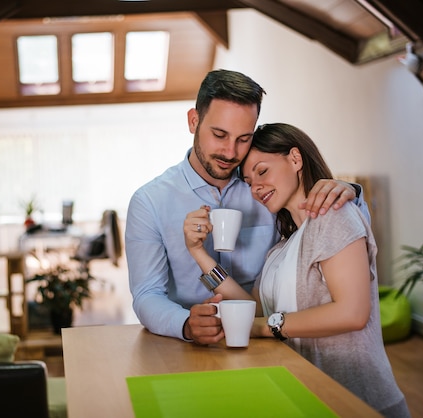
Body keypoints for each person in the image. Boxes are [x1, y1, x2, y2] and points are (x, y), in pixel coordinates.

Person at [125, 69, 370, 344]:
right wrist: (185, 324)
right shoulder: (150, 202)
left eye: (244, 138)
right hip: (196, 342)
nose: (231, 153)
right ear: (194, 121)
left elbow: (334, 230)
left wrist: (350, 193)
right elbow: (147, 294)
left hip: (273, 338)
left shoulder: (267, 190)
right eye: (219, 135)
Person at [183, 123, 409, 417]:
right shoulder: (281, 248)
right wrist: (198, 252)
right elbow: (254, 309)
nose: (256, 188)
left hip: (359, 403)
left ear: (295, 159)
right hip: (310, 398)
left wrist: (264, 328)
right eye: (250, 182)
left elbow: (352, 313)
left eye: (262, 172)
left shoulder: (333, 216)